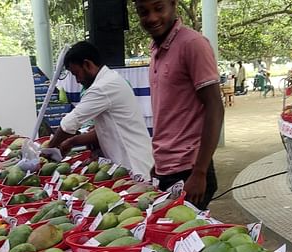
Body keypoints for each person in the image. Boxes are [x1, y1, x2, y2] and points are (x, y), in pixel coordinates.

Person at [133, 0, 224, 209]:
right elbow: (171, 113)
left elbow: (215, 107)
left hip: (190, 169)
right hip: (166, 168)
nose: (152, 18)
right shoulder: (156, 49)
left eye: (158, 8)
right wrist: (160, 163)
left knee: (182, 236)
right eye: (143, 12)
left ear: (173, 4)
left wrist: (200, 172)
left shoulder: (193, 44)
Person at [47, 41, 154, 177]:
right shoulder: (111, 79)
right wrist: (72, 141)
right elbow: (105, 129)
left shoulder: (102, 87)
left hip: (133, 165)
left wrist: (48, 150)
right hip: (130, 163)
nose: (77, 80)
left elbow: (68, 124)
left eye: (76, 74)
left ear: (87, 64)